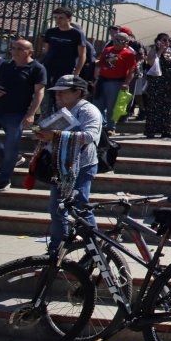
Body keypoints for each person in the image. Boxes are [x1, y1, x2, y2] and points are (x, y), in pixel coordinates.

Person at [35, 75, 102, 251]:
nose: (58, 97)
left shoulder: (88, 110)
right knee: (57, 208)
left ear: (78, 93)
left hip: (82, 165)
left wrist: (55, 135)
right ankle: (57, 249)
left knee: (81, 207)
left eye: (63, 93)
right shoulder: (59, 109)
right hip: (61, 165)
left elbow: (90, 136)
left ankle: (95, 248)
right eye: (57, 94)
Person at [0, 39, 46, 191]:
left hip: (16, 113)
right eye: (13, 48)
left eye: (19, 49)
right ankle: (12, 158)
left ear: (29, 52)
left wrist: (31, 114)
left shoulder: (37, 68)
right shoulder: (6, 65)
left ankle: (3, 179)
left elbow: (39, 92)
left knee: (11, 145)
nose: (14, 51)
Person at [41, 7, 86, 117]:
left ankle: (62, 122)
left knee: (62, 99)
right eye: (55, 18)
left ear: (69, 19)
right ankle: (45, 121)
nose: (58, 20)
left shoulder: (77, 34)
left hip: (66, 70)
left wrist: (77, 73)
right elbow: (45, 51)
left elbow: (82, 55)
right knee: (46, 98)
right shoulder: (50, 32)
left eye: (61, 18)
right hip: (48, 68)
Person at [93, 32, 137, 135]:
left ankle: (110, 127)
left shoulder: (128, 54)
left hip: (116, 82)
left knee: (111, 106)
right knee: (98, 104)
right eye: (115, 39)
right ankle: (99, 125)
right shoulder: (108, 50)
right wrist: (96, 79)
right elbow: (100, 64)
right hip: (102, 80)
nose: (116, 42)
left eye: (120, 40)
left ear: (126, 42)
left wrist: (126, 83)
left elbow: (131, 71)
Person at [143, 33, 171, 139]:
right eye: (164, 40)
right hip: (156, 84)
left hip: (169, 84)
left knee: (168, 108)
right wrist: (160, 51)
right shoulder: (153, 51)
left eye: (168, 40)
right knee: (154, 107)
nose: (167, 42)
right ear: (158, 41)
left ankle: (167, 130)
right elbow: (151, 62)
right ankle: (151, 130)